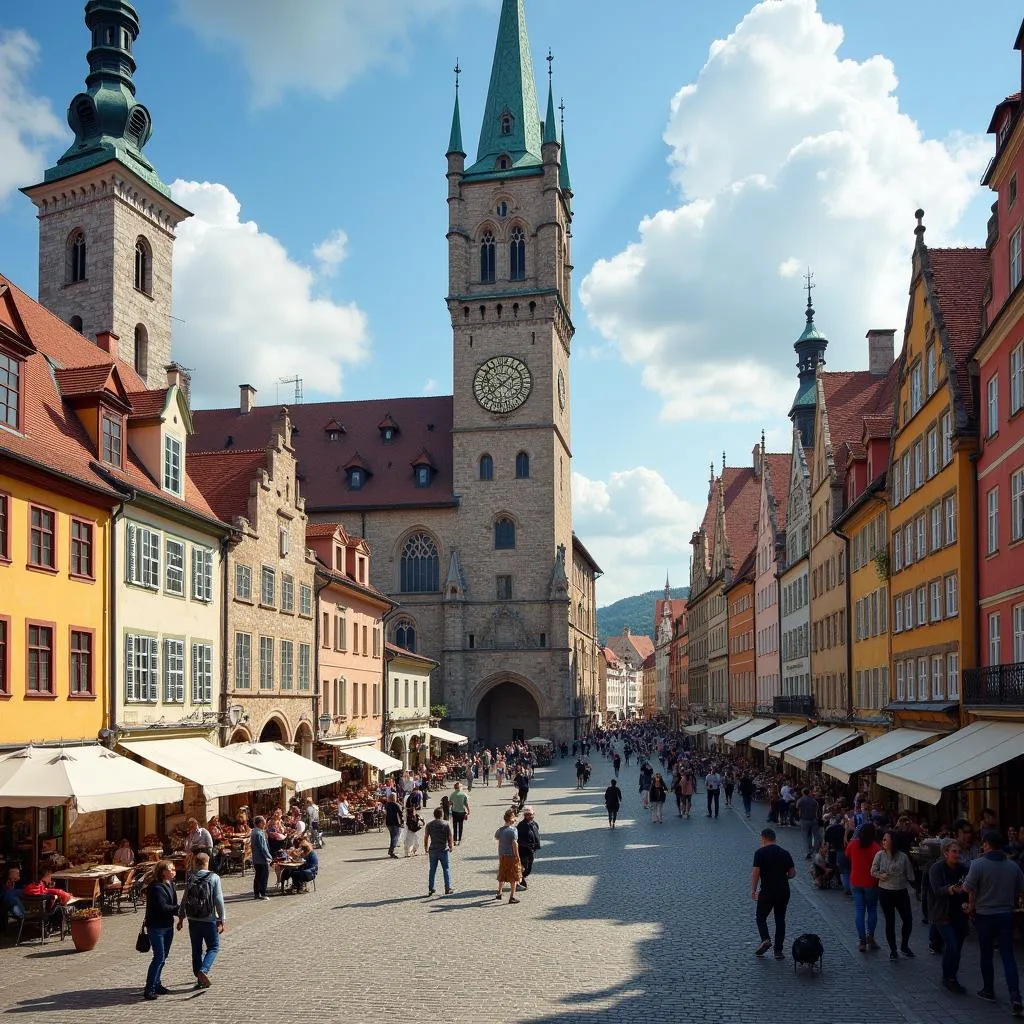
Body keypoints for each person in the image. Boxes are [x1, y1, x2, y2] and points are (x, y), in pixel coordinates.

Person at [963, 829, 1024, 1012]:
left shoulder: (978, 864)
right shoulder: (1013, 866)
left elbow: (967, 886)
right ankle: (1016, 996)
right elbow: (1021, 888)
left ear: (987, 844)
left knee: (986, 953)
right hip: (1006, 914)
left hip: (984, 915)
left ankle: (988, 990)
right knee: (1008, 956)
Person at [175, 852, 225, 990]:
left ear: (196, 864)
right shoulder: (214, 877)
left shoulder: (191, 877)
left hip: (193, 919)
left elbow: (185, 898)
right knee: (213, 947)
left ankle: (199, 978)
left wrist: (181, 917)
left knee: (196, 949)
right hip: (208, 918)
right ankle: (204, 970)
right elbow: (219, 900)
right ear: (207, 862)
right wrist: (221, 919)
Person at [928, 838, 969, 994]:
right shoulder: (936, 869)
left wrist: (967, 902)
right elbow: (936, 889)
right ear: (946, 853)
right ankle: (949, 978)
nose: (957, 855)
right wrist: (951, 889)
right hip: (942, 913)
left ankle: (951, 976)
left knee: (957, 948)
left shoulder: (963, 869)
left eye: (959, 852)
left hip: (959, 913)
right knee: (951, 946)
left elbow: (968, 888)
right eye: (954, 851)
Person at [751, 827, 796, 959]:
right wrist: (782, 877)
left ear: (764, 838)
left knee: (761, 916)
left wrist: (753, 890)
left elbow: (755, 873)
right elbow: (792, 873)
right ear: (774, 838)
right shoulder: (785, 853)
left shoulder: (760, 853)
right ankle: (778, 951)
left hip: (767, 891)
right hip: (783, 890)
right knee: (780, 919)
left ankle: (765, 939)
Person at [871, 830, 916, 960]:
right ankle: (893, 950)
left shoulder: (903, 857)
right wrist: (880, 875)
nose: (883, 842)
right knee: (890, 921)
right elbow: (873, 870)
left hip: (901, 891)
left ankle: (904, 945)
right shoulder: (879, 855)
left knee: (907, 920)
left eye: (886, 839)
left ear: (893, 841)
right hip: (885, 891)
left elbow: (910, 875)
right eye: (883, 840)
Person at [142, 859, 178, 1000]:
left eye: (174, 869)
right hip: (156, 927)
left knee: (163, 956)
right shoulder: (155, 887)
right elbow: (162, 907)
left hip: (168, 925)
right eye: (171, 869)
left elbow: (173, 904)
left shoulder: (171, 884)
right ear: (163, 872)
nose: (174, 871)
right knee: (158, 957)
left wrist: (179, 915)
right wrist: (178, 909)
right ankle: (149, 988)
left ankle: (157, 983)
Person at [846, 822, 881, 952]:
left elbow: (847, 855)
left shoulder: (854, 844)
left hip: (855, 881)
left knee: (860, 911)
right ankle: (870, 937)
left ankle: (862, 940)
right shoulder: (875, 847)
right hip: (870, 883)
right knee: (872, 910)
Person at [494, 809, 523, 905]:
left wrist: (499, 854)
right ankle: (512, 896)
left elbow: (499, 841)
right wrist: (517, 856)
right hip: (511, 856)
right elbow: (515, 844)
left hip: (502, 855)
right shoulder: (513, 830)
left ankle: (499, 892)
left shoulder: (500, 830)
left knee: (502, 874)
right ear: (511, 819)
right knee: (513, 877)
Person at [424, 807, 454, 896]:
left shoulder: (429, 825)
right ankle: (448, 888)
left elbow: (426, 837)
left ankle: (431, 888)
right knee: (446, 869)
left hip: (433, 849)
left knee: (432, 870)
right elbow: (450, 836)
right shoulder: (446, 824)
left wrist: (425, 847)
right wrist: (451, 846)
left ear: (434, 815)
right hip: (443, 849)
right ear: (442, 815)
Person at [516, 807, 541, 890]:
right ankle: (520, 880)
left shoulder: (534, 824)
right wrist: (526, 845)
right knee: (524, 867)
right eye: (527, 815)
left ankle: (520, 878)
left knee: (529, 867)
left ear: (534, 814)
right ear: (524, 815)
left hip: (532, 849)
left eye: (531, 814)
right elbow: (517, 839)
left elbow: (536, 834)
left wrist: (536, 844)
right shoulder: (521, 825)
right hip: (523, 850)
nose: (529, 816)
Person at [249, 815, 272, 901]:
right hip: (261, 859)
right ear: (260, 823)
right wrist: (269, 857)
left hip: (256, 858)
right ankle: (263, 893)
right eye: (263, 822)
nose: (265, 824)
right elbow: (263, 847)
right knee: (263, 876)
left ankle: (256, 893)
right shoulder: (259, 833)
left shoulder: (254, 832)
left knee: (258, 876)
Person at [796, 788, 821, 859]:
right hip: (813, 819)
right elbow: (818, 810)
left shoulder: (800, 800)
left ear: (803, 793)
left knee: (805, 836)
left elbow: (797, 807)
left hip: (804, 820)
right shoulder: (814, 801)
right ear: (809, 792)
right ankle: (816, 851)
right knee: (815, 835)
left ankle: (808, 852)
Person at [383, 795, 404, 859]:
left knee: (392, 837)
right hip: (395, 823)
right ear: (394, 798)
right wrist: (402, 822)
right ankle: (392, 851)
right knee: (396, 837)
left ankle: (391, 850)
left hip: (388, 823)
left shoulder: (387, 805)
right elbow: (401, 814)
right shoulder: (396, 805)